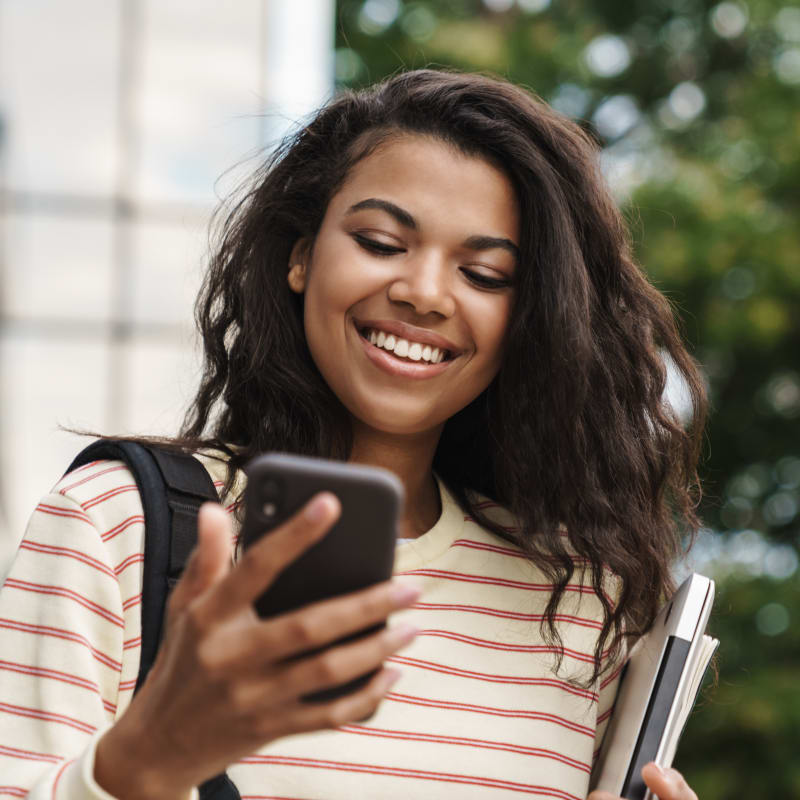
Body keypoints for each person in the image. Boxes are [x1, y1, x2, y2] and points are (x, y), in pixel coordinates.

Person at [0, 70, 706, 800]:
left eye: (485, 274)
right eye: (380, 241)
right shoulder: (116, 524)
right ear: (301, 256)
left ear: (528, 319)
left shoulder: (577, 598)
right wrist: (146, 762)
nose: (424, 293)